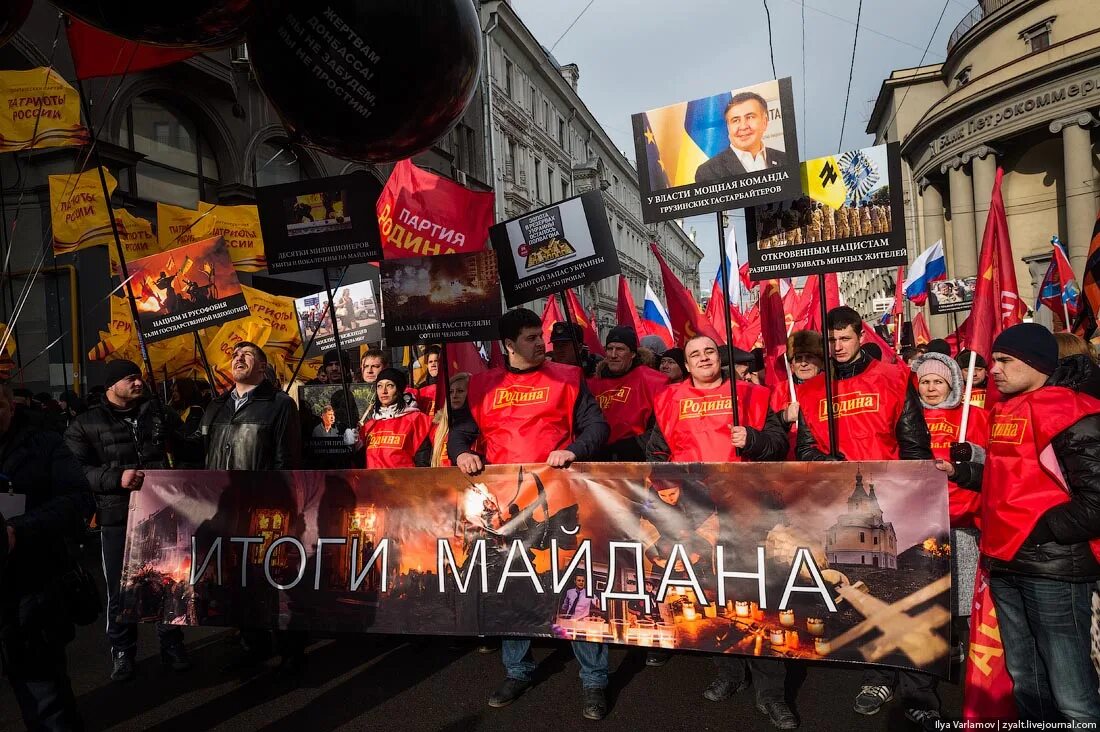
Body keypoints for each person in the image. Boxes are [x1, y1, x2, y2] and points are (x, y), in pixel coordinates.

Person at [448, 307, 611, 720]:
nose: (541, 343)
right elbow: (461, 432)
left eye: (541, 336)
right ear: (508, 345)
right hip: (506, 511)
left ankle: (594, 680)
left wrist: (573, 450)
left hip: (560, 502)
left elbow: (597, 427)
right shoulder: (482, 385)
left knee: (574, 589)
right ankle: (517, 670)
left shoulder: (568, 377)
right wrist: (462, 452)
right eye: (530, 338)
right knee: (512, 589)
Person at [941, 323, 1100, 722]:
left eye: (1005, 360)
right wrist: (963, 474)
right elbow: (1006, 480)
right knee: (1026, 681)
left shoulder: (1075, 413)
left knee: (1072, 693)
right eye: (994, 360)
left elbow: (1096, 501)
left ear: (1036, 363)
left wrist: (1039, 530)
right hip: (1005, 562)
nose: (993, 369)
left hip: (1052, 568)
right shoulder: (1005, 410)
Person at [795, 307, 939, 727]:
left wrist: (914, 490)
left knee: (911, 596)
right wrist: (828, 462)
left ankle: (919, 691)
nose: (838, 346)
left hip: (892, 498)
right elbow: (805, 450)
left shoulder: (893, 377)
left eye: (845, 338)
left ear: (861, 336)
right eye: (831, 340)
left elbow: (915, 443)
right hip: (842, 502)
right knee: (868, 605)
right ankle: (877, 678)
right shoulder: (812, 391)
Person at [646, 335, 795, 728]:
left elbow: (779, 444)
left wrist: (754, 440)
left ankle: (771, 693)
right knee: (713, 599)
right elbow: (655, 455)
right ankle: (729, 673)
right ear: (686, 364)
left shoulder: (750, 394)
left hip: (745, 514)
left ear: (719, 357)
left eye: (709, 351)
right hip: (696, 520)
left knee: (757, 602)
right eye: (694, 354)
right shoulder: (669, 400)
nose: (703, 358)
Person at [64, 359, 193, 682]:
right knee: (120, 589)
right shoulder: (85, 424)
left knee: (169, 583)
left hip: (163, 511)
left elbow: (191, 450)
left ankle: (172, 642)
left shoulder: (160, 413)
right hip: (117, 517)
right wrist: (116, 478)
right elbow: (75, 470)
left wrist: (176, 438)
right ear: (111, 385)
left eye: (139, 377)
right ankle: (122, 651)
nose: (138, 383)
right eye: (130, 378)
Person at [199, 342, 305, 673]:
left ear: (262, 366)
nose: (238, 358)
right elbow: (200, 451)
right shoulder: (216, 406)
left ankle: (290, 649)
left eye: (247, 354)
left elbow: (287, 459)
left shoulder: (279, 404)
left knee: (274, 578)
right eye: (235, 354)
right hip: (227, 509)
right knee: (238, 579)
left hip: (265, 509)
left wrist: (282, 507)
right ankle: (253, 644)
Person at [1, 383, 95, 731]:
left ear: (11, 406)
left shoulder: (44, 443)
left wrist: (18, 530)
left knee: (47, 699)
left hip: (33, 588)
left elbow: (79, 500)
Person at [910, 351, 990, 655]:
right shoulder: (909, 419)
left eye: (938, 382)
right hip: (923, 518)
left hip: (962, 518)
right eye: (925, 381)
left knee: (965, 594)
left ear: (952, 383)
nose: (931, 388)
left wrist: (973, 454)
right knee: (931, 596)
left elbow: (994, 461)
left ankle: (973, 653)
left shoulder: (975, 416)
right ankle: (944, 650)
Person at [587, 326, 668, 461]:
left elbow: (662, 426)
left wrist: (635, 445)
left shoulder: (653, 381)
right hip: (597, 459)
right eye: (610, 349)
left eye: (620, 349)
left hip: (638, 459)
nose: (613, 355)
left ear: (633, 353)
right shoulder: (592, 384)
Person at [695, 92, 787, 181]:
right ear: (728, 127)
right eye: (735, 120)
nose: (743, 127)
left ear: (765, 122)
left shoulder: (785, 159)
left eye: (750, 117)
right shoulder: (708, 171)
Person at [358, 367, 431, 468]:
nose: (384, 391)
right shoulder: (369, 425)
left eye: (390, 385)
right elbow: (360, 464)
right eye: (379, 386)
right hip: (373, 478)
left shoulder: (416, 420)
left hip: (403, 477)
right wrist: (354, 447)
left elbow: (423, 463)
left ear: (399, 389)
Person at [777, 331, 824, 457]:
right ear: (791, 364)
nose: (803, 363)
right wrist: (783, 417)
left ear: (821, 361)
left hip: (823, 461)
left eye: (809, 357)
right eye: (798, 358)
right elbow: (764, 431)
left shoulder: (833, 387)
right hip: (788, 463)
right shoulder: (778, 391)